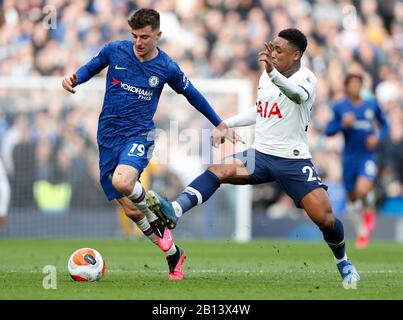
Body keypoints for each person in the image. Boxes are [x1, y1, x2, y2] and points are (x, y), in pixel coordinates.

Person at [145, 28, 360, 288]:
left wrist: (272, 72)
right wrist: (227, 123)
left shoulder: (307, 78)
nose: (273, 53)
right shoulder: (266, 77)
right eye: (273, 48)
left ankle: (344, 262)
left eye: (280, 50)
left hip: (293, 161)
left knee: (326, 219)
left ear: (296, 55)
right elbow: (261, 110)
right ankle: (176, 209)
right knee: (219, 169)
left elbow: (296, 95)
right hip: (260, 155)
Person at [62, 8, 228, 280]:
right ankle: (174, 254)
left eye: (145, 37)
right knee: (129, 209)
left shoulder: (166, 67)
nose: (139, 42)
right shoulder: (115, 50)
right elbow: (92, 66)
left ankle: (158, 205)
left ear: (158, 36)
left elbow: (193, 94)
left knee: (123, 182)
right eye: (135, 36)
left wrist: (219, 122)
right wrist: (75, 78)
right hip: (107, 138)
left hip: (140, 135)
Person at [325, 74, 389, 249]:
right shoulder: (340, 107)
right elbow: (329, 131)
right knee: (352, 198)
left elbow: (385, 125)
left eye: (357, 85)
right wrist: (343, 125)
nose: (354, 88)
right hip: (349, 157)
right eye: (351, 84)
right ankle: (362, 232)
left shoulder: (371, 105)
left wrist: (377, 137)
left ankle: (368, 212)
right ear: (346, 87)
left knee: (362, 189)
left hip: (367, 155)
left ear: (361, 87)